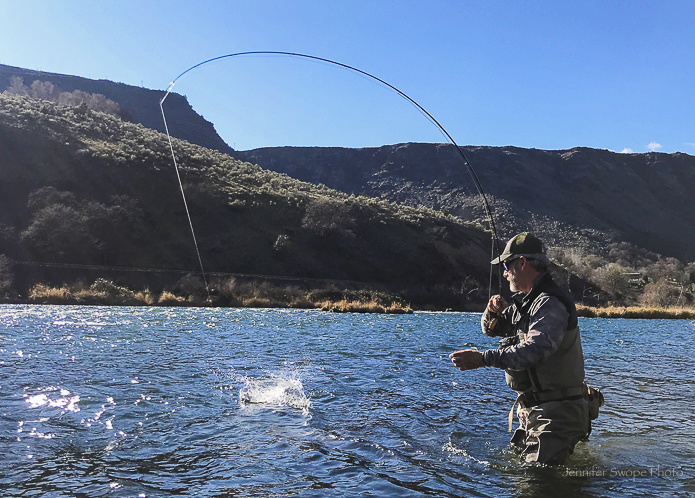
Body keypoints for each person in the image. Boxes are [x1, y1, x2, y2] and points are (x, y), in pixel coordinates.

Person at [449, 232, 589, 465]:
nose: (504, 273)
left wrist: (483, 359)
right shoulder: (527, 303)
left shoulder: (549, 303)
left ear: (522, 263)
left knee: (538, 483)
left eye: (506, 265)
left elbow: (536, 349)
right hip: (538, 411)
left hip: (556, 414)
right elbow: (492, 330)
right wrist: (492, 312)